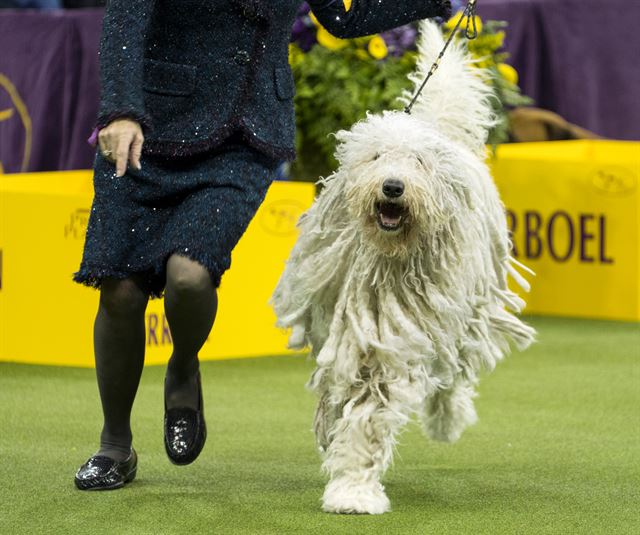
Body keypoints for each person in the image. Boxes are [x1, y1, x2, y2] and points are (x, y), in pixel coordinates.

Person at [72, 0, 452, 491]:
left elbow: (341, 18)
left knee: (189, 274)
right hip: (146, 124)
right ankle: (114, 445)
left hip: (242, 135)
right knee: (120, 292)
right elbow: (127, 16)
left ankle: (183, 369)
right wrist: (121, 110)